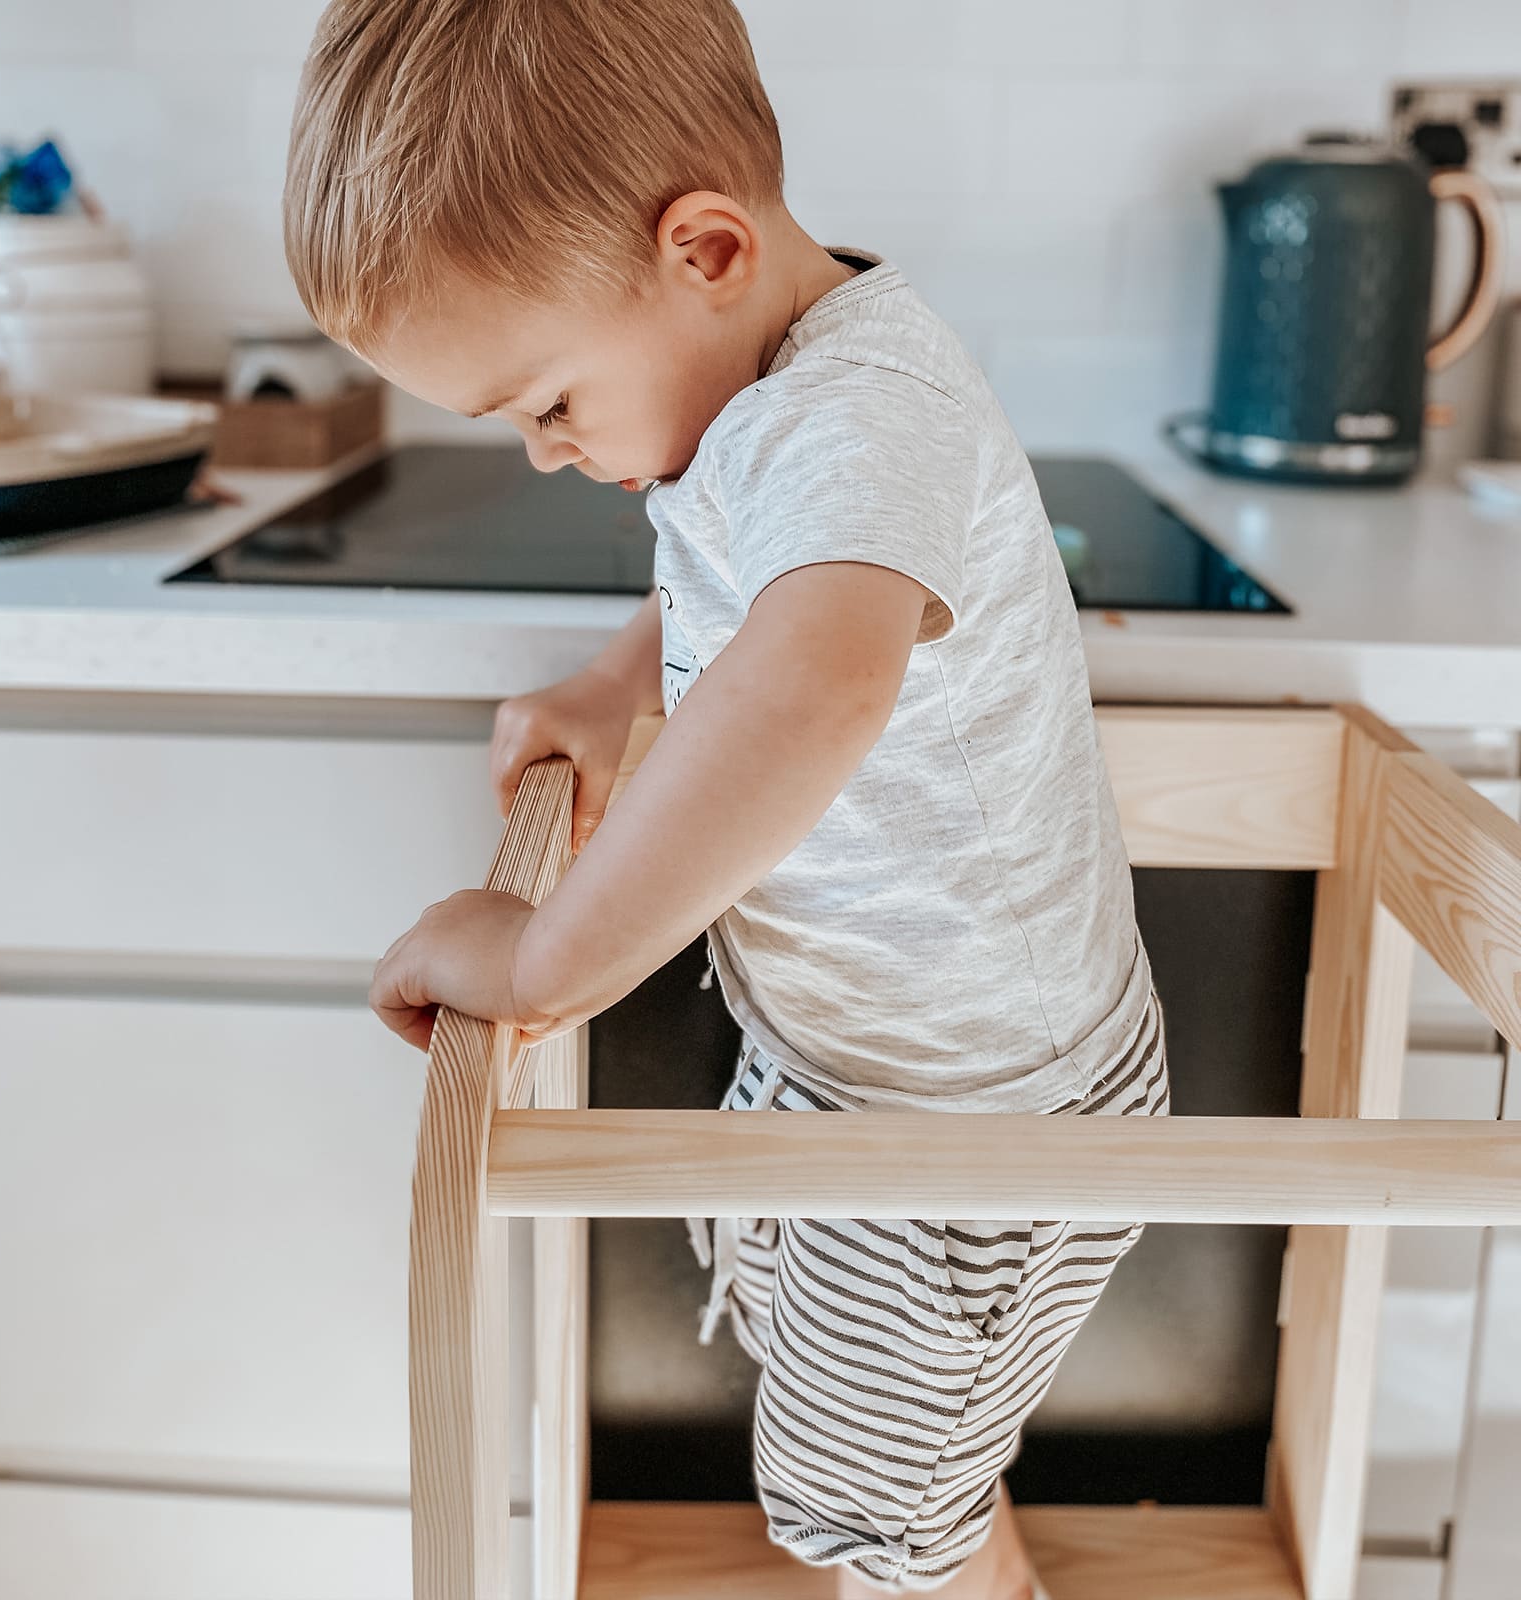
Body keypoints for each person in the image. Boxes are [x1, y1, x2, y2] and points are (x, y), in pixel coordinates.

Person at [284, 3, 1169, 1595]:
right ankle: (976, 1547)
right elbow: (759, 593)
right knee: (877, 1412)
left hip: (970, 1109)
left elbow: (818, 682)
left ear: (702, 250)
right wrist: (626, 682)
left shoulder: (850, 413)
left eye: (548, 402)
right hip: (872, 1057)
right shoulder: (791, 370)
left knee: (873, 1502)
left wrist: (549, 961)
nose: (548, 455)